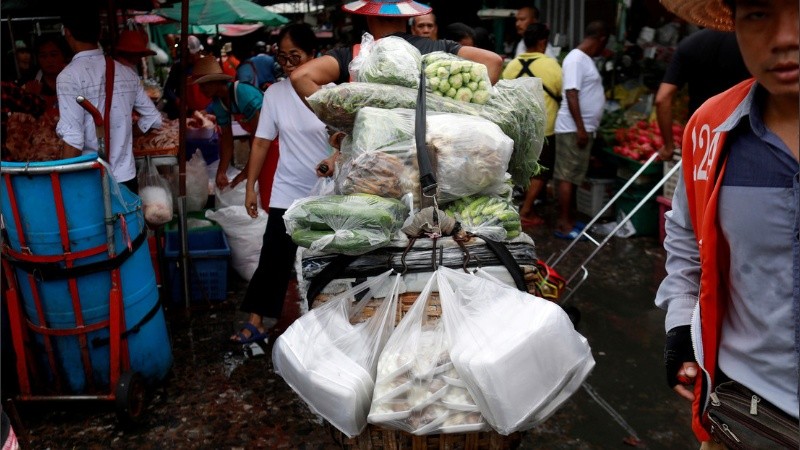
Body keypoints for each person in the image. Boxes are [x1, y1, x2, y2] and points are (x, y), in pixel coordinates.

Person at [655, 0, 799, 448]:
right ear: (734, 23)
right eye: (759, 13)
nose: (784, 38)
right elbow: (686, 232)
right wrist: (682, 324)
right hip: (745, 416)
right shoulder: (711, 127)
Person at [230, 24, 330, 344]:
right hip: (288, 188)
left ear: (313, 56)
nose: (289, 65)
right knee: (273, 255)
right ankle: (257, 319)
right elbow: (261, 142)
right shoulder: (274, 93)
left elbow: (347, 136)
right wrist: (250, 188)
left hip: (327, 189)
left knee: (329, 255)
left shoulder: (329, 90)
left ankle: (329, 317)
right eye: (283, 58)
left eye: (295, 57)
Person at [291, 0, 503, 99]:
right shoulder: (439, 48)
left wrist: (338, 120)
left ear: (368, 15)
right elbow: (493, 62)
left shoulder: (351, 56)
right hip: (429, 162)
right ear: (406, 16)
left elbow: (301, 77)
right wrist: (459, 109)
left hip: (372, 169)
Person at [56, 7, 162, 193]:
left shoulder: (69, 76)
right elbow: (154, 119)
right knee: (125, 222)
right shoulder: (127, 73)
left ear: (67, 32)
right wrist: (127, 132)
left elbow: (73, 138)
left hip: (91, 180)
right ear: (99, 33)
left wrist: (65, 187)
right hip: (126, 180)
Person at [653, 29, 751, 160]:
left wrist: (668, 145)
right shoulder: (751, 45)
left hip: (699, 140)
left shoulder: (689, 44)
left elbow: (662, 98)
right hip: (741, 141)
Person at [502, 23, 562, 227]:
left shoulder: (511, 65)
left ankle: (516, 206)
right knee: (542, 172)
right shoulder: (552, 65)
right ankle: (527, 210)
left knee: (520, 168)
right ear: (543, 42)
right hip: (544, 130)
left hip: (517, 128)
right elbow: (562, 92)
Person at [552, 21, 609, 239]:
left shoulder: (583, 59)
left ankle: (570, 220)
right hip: (572, 129)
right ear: (601, 39)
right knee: (567, 176)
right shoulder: (576, 59)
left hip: (578, 128)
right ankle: (564, 225)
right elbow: (571, 93)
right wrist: (581, 129)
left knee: (573, 177)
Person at [191, 56, 263, 191]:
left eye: (203, 85)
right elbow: (226, 140)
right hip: (262, 143)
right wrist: (221, 171)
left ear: (215, 82)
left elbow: (258, 137)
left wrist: (246, 172)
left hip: (276, 141)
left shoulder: (242, 93)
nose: (201, 90)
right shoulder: (218, 103)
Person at [162, 35, 211, 119]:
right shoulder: (178, 67)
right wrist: (176, 100)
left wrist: (208, 109)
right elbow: (168, 89)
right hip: (183, 112)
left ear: (199, 52)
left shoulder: (208, 65)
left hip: (205, 112)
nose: (189, 60)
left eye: (191, 56)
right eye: (186, 56)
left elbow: (217, 94)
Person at [22, 35, 71, 113]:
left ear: (63, 56)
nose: (49, 60)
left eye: (53, 55)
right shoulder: (29, 81)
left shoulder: (75, 76)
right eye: (43, 56)